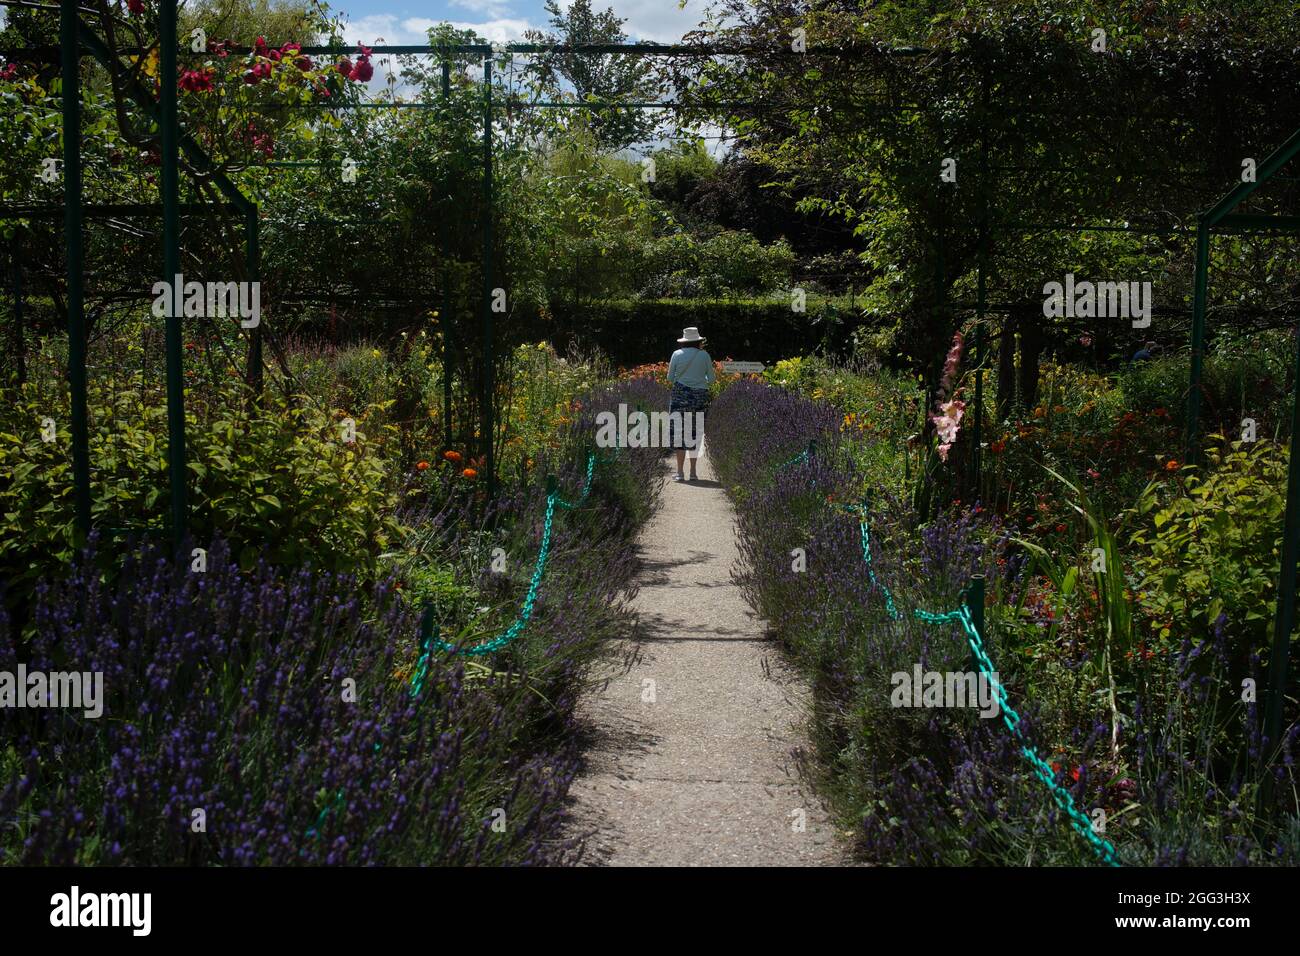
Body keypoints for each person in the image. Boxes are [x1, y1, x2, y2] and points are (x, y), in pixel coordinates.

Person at [666, 327, 715, 482]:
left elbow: (669, 378)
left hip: (680, 396)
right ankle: (693, 472)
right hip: (699, 397)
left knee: (679, 433)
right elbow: (712, 379)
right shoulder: (704, 355)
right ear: (698, 341)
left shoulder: (677, 354)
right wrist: (699, 381)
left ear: (684, 341)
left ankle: (680, 473)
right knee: (695, 432)